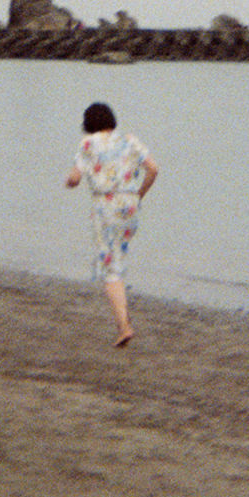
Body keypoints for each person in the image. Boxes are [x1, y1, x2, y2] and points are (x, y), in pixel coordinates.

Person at [64, 102, 158, 347]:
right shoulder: (130, 140)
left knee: (110, 268)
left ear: (88, 124)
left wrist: (70, 181)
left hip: (106, 206)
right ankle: (124, 319)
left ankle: (124, 327)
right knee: (118, 258)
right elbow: (153, 169)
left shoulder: (88, 143)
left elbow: (75, 177)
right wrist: (139, 194)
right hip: (130, 205)